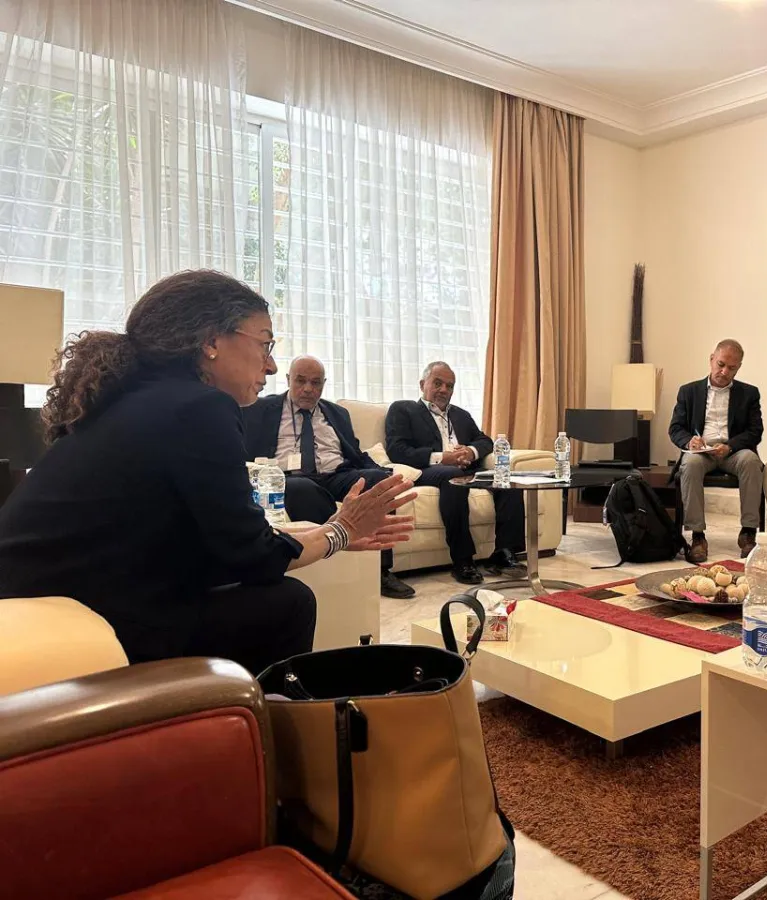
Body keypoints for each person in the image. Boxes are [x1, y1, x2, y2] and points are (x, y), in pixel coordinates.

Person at [0, 270, 416, 676]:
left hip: (42, 596)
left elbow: (218, 543)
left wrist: (324, 534)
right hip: (82, 614)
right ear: (212, 341)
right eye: (265, 343)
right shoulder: (198, 407)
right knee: (286, 603)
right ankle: (252, 723)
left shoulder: (136, 400)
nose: (271, 366)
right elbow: (252, 557)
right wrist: (339, 531)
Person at [242, 355, 416, 600]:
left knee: (379, 482)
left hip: (336, 475)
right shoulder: (262, 408)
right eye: (301, 381)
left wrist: (383, 473)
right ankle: (332, 559)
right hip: (289, 477)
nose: (308, 389)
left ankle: (381, 570)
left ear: (323, 384)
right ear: (288, 379)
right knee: (302, 488)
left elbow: (355, 452)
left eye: (315, 383)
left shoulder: (337, 413)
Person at [384, 361, 526, 586]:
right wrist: (442, 457)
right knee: (453, 476)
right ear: (422, 384)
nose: (444, 390)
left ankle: (504, 552)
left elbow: (484, 440)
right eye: (437, 383)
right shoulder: (403, 410)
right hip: (427, 470)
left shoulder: (461, 415)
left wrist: (470, 451)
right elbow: (398, 450)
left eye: (449, 386)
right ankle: (463, 560)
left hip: (466, 468)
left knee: (505, 479)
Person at [668, 339, 764, 563]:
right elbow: (675, 428)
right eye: (720, 364)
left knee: (751, 461)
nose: (724, 371)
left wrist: (730, 446)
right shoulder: (689, 391)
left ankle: (748, 532)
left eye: (731, 368)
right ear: (711, 359)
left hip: (733, 452)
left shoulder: (749, 394)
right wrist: (689, 442)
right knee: (690, 464)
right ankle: (697, 536)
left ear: (738, 368)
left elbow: (755, 431)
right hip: (702, 453)